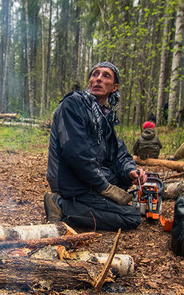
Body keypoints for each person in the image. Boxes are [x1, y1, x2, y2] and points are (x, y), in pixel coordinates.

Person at [44, 62, 146, 231]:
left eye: (106, 76)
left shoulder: (103, 115)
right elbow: (76, 153)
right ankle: (61, 205)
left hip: (87, 177)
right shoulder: (73, 105)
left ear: (114, 87)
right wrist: (104, 187)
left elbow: (118, 151)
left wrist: (131, 171)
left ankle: (82, 206)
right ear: (89, 82)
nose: (98, 79)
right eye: (95, 74)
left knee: (123, 182)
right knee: (131, 216)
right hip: (69, 179)